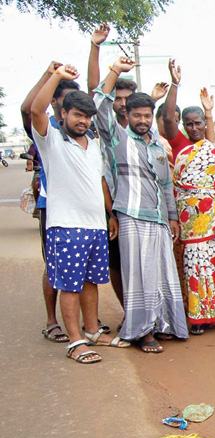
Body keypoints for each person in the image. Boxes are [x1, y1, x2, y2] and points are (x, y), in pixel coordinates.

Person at [30, 64, 129, 363]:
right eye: (77, 115)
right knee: (70, 286)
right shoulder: (51, 141)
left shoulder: (94, 144)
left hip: (96, 226)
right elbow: (35, 110)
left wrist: (110, 215)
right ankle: (75, 342)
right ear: (63, 114)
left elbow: (100, 181)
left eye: (87, 116)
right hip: (66, 226)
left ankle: (92, 330)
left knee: (90, 282)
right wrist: (56, 76)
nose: (83, 121)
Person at [93, 57, 189, 353]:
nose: (143, 120)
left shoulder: (158, 144)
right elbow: (98, 105)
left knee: (160, 273)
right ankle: (142, 333)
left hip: (159, 218)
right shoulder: (118, 139)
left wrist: (172, 217)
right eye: (137, 115)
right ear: (128, 114)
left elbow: (165, 184)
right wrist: (114, 71)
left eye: (147, 115)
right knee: (138, 274)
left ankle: (161, 325)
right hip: (131, 216)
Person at [165, 65, 215, 336]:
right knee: (193, 266)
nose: (194, 128)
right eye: (189, 124)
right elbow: (175, 187)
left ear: (206, 125)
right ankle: (196, 317)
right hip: (188, 223)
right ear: (184, 126)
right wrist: (175, 84)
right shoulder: (181, 154)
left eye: (198, 123)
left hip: (213, 219)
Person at [20, 61, 78, 343]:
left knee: (81, 263)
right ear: (54, 100)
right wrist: (49, 75)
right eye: (63, 99)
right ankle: (52, 320)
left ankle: (83, 320)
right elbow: (27, 109)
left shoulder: (82, 126)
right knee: (53, 263)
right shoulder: (45, 125)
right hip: (51, 203)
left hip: (80, 206)